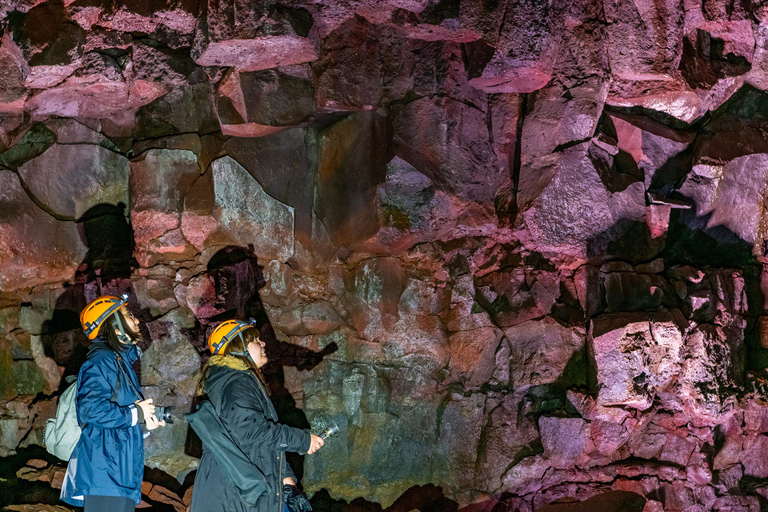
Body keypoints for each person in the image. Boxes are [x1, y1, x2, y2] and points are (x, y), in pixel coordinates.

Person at [190, 320, 324, 512]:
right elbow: (253, 432)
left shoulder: (236, 379)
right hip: (232, 493)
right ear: (238, 348)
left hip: (241, 488)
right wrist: (302, 440)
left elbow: (254, 443)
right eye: (256, 341)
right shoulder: (236, 381)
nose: (263, 344)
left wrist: (286, 481)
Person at [60, 294, 165, 512]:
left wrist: (143, 425)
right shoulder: (101, 360)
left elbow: (115, 419)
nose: (136, 321)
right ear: (112, 326)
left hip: (118, 474)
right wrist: (135, 413)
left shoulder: (119, 362)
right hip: (104, 474)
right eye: (128, 315)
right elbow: (91, 409)